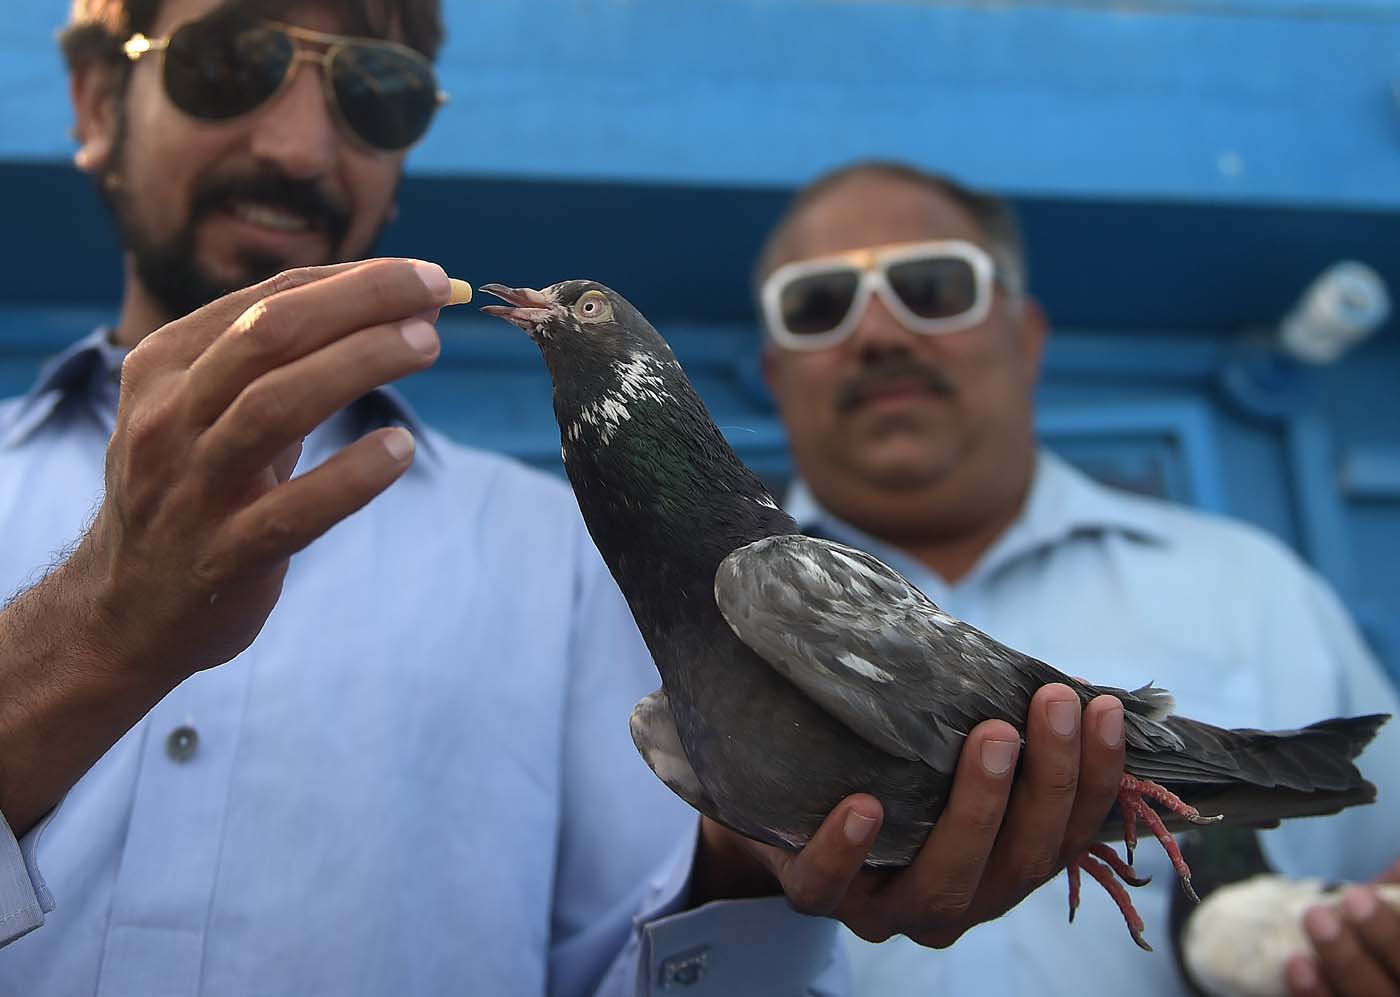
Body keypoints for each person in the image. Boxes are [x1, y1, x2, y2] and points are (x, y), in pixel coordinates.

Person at [0, 4, 1129, 993]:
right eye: (227, 60)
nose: (301, 146)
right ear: (99, 101)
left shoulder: (575, 555)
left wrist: (748, 869)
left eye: (374, 92)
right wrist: (98, 622)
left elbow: (671, 974)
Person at [752, 159, 1400, 997]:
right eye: (818, 306)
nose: (878, 333)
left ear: (1027, 336)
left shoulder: (1249, 588)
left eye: (935, 287)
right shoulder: (670, 628)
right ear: (775, 375)